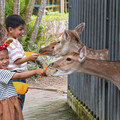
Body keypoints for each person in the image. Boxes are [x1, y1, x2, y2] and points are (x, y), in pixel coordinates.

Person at [0, 44, 44, 120]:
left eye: (7, 58)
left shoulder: (4, 71)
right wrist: (35, 71)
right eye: (1, 59)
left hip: (11, 101)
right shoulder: (2, 73)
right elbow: (19, 76)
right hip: (7, 105)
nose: (5, 61)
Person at [5, 14, 40, 110]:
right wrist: (29, 58)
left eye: (23, 29)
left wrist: (28, 54)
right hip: (17, 77)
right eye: (20, 29)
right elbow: (17, 61)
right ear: (10, 29)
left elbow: (16, 56)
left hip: (17, 77)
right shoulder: (12, 43)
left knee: (17, 102)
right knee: (18, 102)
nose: (22, 32)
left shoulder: (13, 41)